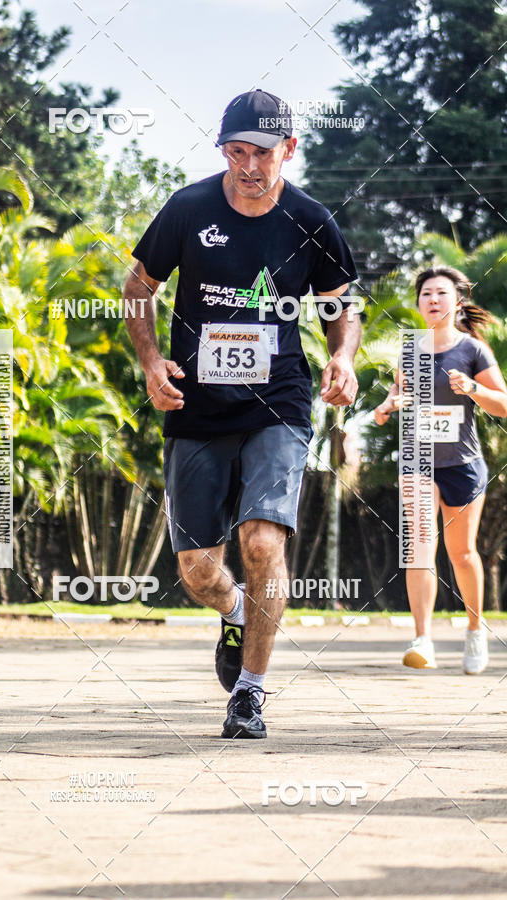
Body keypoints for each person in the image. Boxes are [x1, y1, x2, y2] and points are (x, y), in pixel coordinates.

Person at [124, 89, 360, 738]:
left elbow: (341, 306)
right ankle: (233, 611)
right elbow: (139, 287)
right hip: (198, 406)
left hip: (277, 403)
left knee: (261, 541)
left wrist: (342, 359)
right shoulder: (189, 208)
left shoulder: (311, 220)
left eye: (261, 152)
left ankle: (250, 694)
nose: (248, 165)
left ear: (289, 148)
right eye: (235, 151)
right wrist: (151, 363)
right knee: (199, 570)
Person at [374, 266, 507, 673]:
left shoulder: (472, 350)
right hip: (417, 461)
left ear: (457, 301)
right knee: (418, 545)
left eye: (441, 293)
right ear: (418, 303)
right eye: (426, 293)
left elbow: (502, 403)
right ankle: (423, 639)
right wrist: (386, 408)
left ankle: (474, 630)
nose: (433, 299)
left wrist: (473, 388)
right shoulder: (410, 350)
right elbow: (389, 405)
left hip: (463, 465)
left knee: (462, 553)